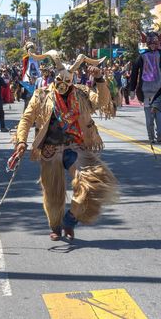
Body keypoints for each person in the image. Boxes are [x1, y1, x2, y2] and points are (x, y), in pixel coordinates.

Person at [14, 50, 117, 241]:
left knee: (90, 184)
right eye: (59, 81)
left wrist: (100, 79)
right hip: (50, 150)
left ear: (73, 80)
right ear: (54, 77)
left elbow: (102, 102)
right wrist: (21, 141)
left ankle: (70, 219)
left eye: (67, 82)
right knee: (53, 196)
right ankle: (55, 226)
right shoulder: (41, 95)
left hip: (75, 148)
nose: (63, 85)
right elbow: (26, 119)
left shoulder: (82, 93)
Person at [130, 31, 161, 143]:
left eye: (155, 41)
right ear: (146, 42)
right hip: (147, 92)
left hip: (160, 92)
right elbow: (134, 73)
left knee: (159, 116)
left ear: (159, 41)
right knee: (149, 118)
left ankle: (159, 136)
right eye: (150, 42)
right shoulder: (142, 56)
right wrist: (132, 89)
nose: (152, 44)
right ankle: (151, 137)